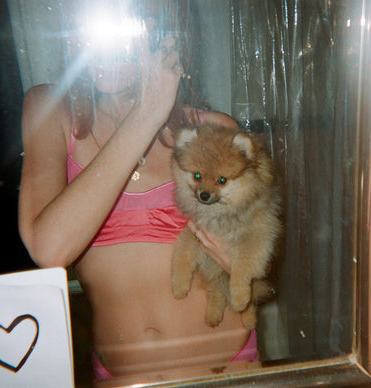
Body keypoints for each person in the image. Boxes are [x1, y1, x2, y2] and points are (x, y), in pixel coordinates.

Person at [17, 1, 257, 383]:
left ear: (165, 35)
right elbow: (49, 249)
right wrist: (147, 114)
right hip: (120, 376)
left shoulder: (214, 131)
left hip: (230, 372)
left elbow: (261, 283)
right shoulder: (50, 108)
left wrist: (241, 262)